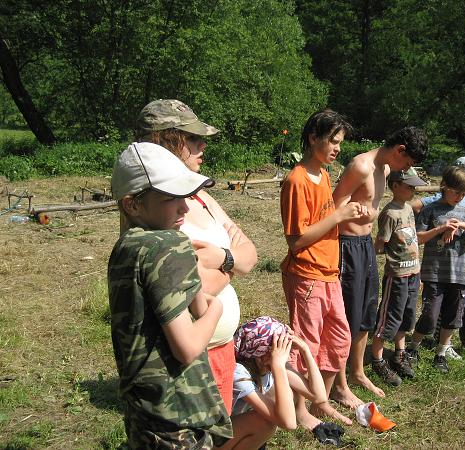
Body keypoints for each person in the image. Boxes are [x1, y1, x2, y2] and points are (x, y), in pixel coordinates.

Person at [135, 99, 258, 414]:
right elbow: (192, 291)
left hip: (221, 350)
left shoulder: (201, 196)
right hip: (188, 364)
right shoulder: (155, 211)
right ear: (161, 142)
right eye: (191, 138)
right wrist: (231, 261)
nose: (202, 144)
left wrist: (219, 257)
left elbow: (251, 255)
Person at [108, 142, 232, 448]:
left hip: (144, 412)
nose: (185, 208)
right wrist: (215, 308)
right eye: (170, 198)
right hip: (178, 418)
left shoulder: (126, 247)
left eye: (186, 197)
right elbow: (187, 346)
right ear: (131, 204)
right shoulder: (169, 246)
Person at [280, 109, 367, 427]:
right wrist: (338, 216)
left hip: (329, 271)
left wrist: (344, 211)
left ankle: (322, 401)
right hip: (306, 274)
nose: (337, 148)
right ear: (313, 138)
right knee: (307, 344)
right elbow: (297, 239)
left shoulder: (325, 175)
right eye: (332, 141)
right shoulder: (296, 180)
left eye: (340, 143)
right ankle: (300, 409)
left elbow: (322, 220)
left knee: (339, 338)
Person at [331, 127, 428, 404]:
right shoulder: (361, 166)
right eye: (407, 163)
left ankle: (358, 372)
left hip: (365, 247)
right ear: (399, 150)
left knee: (366, 314)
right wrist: (349, 211)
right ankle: (339, 385)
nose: (405, 169)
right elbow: (334, 205)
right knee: (347, 316)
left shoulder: (384, 171)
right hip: (347, 246)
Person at [411, 156, 465, 358]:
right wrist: (441, 228)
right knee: (430, 314)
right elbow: (417, 237)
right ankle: (411, 348)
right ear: (446, 186)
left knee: (454, 313)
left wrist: (459, 226)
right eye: (457, 192)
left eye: (463, 193)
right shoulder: (432, 208)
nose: (460, 196)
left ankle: (442, 351)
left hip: (460, 269)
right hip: (435, 269)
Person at [225, 317, 344, 448]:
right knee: (266, 424)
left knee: (283, 393)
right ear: (261, 357)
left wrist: (305, 349)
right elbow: (289, 423)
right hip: (212, 440)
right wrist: (278, 366)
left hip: (234, 427)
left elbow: (319, 397)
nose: (286, 355)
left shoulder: (264, 362)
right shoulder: (239, 372)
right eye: (282, 349)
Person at [370, 169, 427, 386]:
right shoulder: (390, 214)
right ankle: (377, 359)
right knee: (389, 318)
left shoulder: (409, 209)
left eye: (414, 186)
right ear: (395, 186)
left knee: (406, 315)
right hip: (397, 276)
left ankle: (399, 354)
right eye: (409, 186)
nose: (413, 190)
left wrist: (418, 272)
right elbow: (380, 245)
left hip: (413, 273)